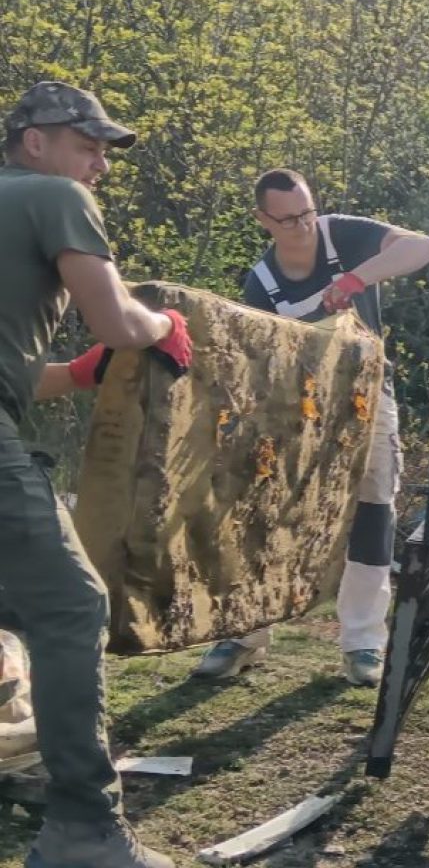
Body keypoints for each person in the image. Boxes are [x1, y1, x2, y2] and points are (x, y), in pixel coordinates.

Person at [0, 82, 193, 868]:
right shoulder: (54, 197)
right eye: (87, 147)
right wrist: (162, 325)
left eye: (105, 153)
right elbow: (115, 319)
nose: (99, 166)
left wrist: (79, 375)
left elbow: (16, 374)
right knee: (71, 605)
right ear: (33, 141)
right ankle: (84, 830)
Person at [192, 168, 429, 687]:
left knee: (373, 508)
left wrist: (353, 279)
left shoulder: (342, 234)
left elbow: (423, 247)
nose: (302, 226)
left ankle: (363, 644)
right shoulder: (261, 282)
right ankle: (244, 634)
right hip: (298, 404)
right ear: (263, 220)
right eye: (287, 219)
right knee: (265, 509)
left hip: (369, 394)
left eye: (306, 212)